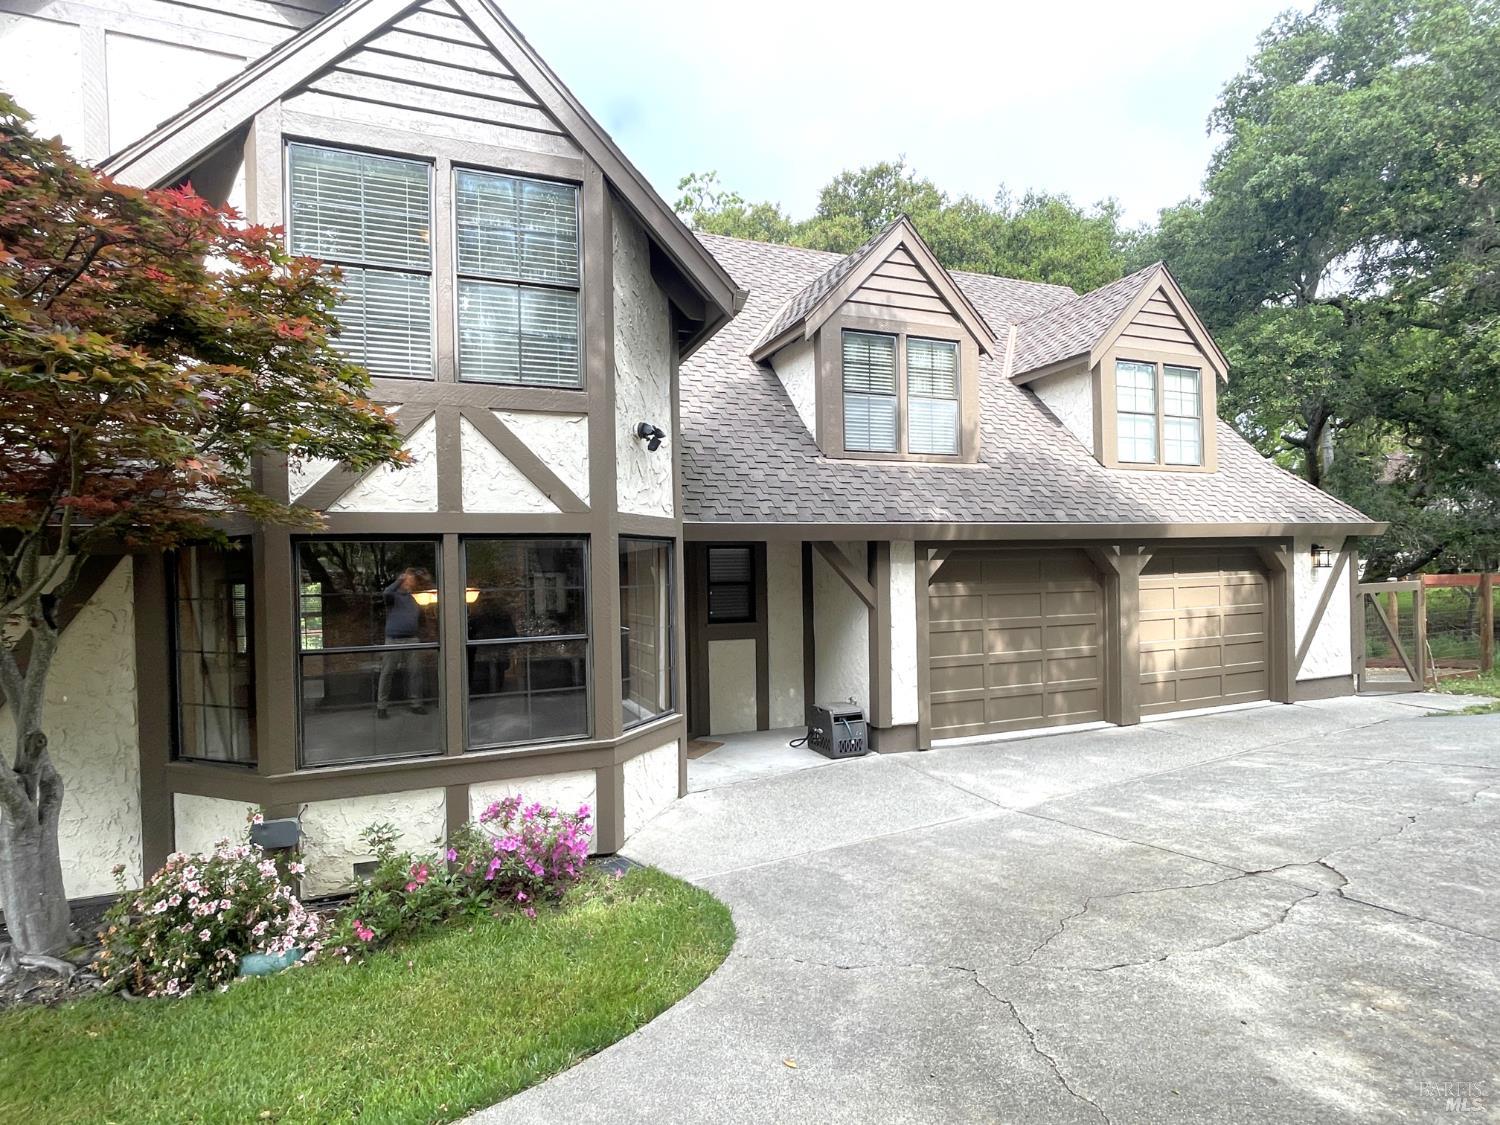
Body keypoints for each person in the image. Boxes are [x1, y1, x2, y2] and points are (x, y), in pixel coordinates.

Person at [377, 567, 431, 719]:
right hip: (393, 639)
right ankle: (381, 706)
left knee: (415, 672)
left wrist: (424, 577)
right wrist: (400, 578)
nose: (411, 581)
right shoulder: (393, 597)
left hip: (412, 639)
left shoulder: (415, 598)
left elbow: (430, 590)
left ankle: (416, 704)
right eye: (409, 578)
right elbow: (386, 592)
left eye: (411, 579)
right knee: (387, 672)